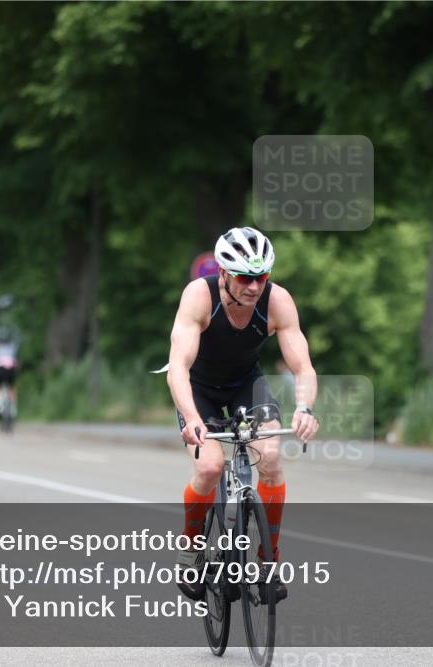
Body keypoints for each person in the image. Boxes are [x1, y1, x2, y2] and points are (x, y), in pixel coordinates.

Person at [167, 227, 319, 602]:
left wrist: (304, 407)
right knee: (208, 468)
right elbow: (178, 368)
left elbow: (303, 368)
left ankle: (268, 563)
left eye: (261, 277)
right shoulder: (198, 297)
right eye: (245, 277)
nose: (254, 286)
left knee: (270, 457)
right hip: (199, 389)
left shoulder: (278, 301)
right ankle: (190, 550)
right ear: (223, 273)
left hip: (246, 386)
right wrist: (193, 418)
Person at [0, 339, 19, 417]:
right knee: (12, 386)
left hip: (0, 369)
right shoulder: (11, 349)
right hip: (11, 369)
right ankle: (13, 407)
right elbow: (16, 363)